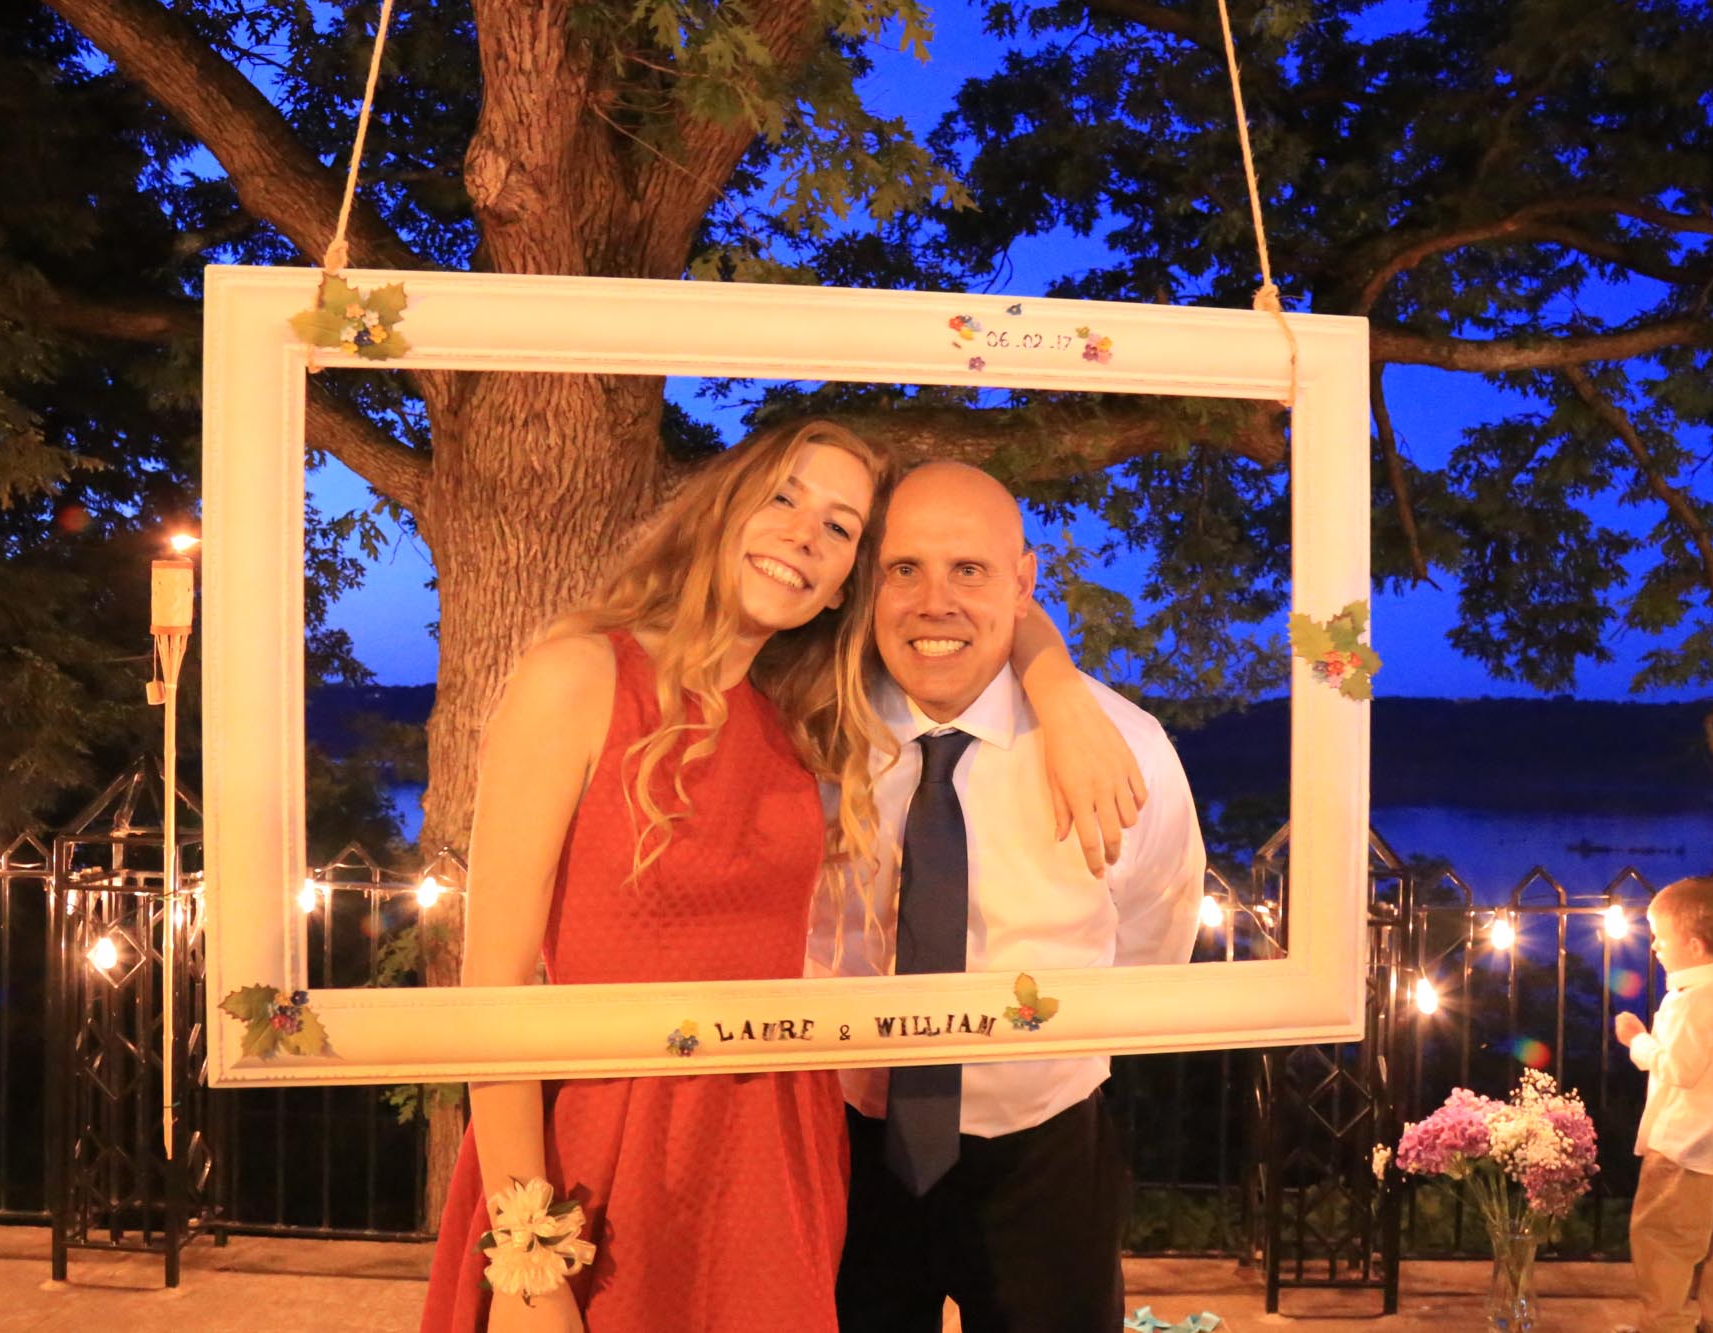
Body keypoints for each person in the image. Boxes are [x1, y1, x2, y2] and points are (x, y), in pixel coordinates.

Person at [420, 425, 1137, 1333]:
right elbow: (491, 990)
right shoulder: (580, 675)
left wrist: (1057, 685)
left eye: (840, 528)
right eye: (784, 497)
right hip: (609, 1141)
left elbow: (979, 599)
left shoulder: (805, 716)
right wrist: (528, 1260)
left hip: (776, 1156)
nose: (804, 534)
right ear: (724, 507)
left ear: (844, 584)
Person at [814, 461, 1207, 1333]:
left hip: (1044, 1149)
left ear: (1024, 583)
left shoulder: (1125, 750)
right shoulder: (811, 734)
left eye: (970, 569)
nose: (935, 602)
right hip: (838, 1143)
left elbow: (1154, 936)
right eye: (905, 568)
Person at [1614, 875, 1713, 1333]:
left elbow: (1679, 1069)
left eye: (1661, 938)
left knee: (1664, 1249)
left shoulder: (1693, 1001)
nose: (1655, 947)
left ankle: (1666, 1326)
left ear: (1695, 946)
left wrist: (1637, 1040)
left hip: (1683, 1152)